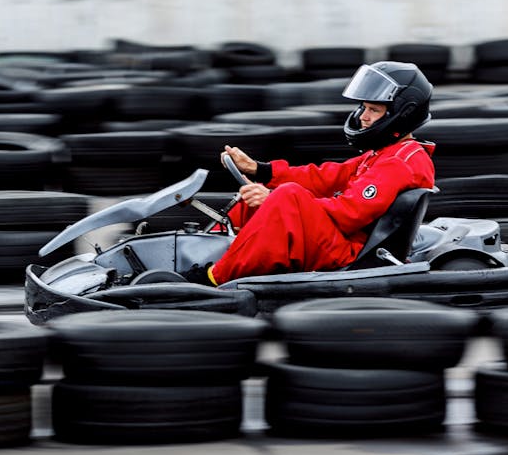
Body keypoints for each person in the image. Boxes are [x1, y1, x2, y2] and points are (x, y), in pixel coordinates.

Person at [182, 61, 436, 286]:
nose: (363, 117)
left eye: (374, 110)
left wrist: (273, 198)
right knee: (253, 199)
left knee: (286, 198)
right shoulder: (386, 153)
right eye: (364, 108)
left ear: (402, 115)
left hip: (353, 253)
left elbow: (350, 213)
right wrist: (261, 170)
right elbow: (327, 176)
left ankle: (212, 279)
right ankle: (209, 253)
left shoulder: (399, 162)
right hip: (344, 241)